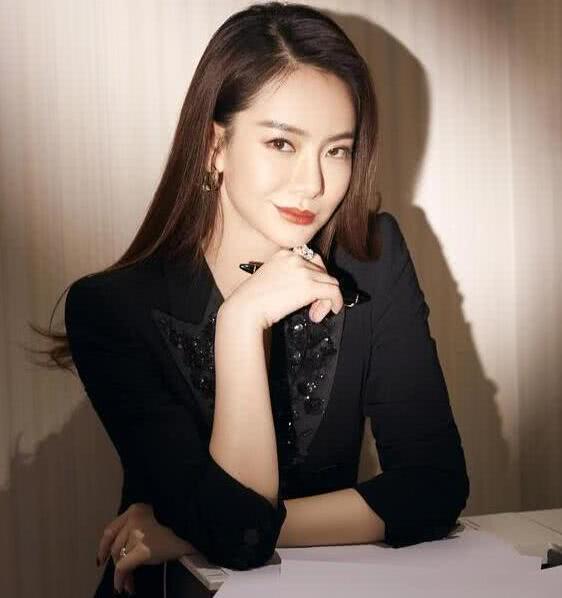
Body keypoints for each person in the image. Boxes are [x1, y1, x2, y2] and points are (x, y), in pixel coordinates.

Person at [37, 2, 469, 596]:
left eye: (337, 150)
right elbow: (239, 536)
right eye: (282, 143)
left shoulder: (372, 258)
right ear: (214, 146)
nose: (313, 184)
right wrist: (240, 321)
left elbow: (434, 487)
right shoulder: (111, 309)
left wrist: (186, 531)